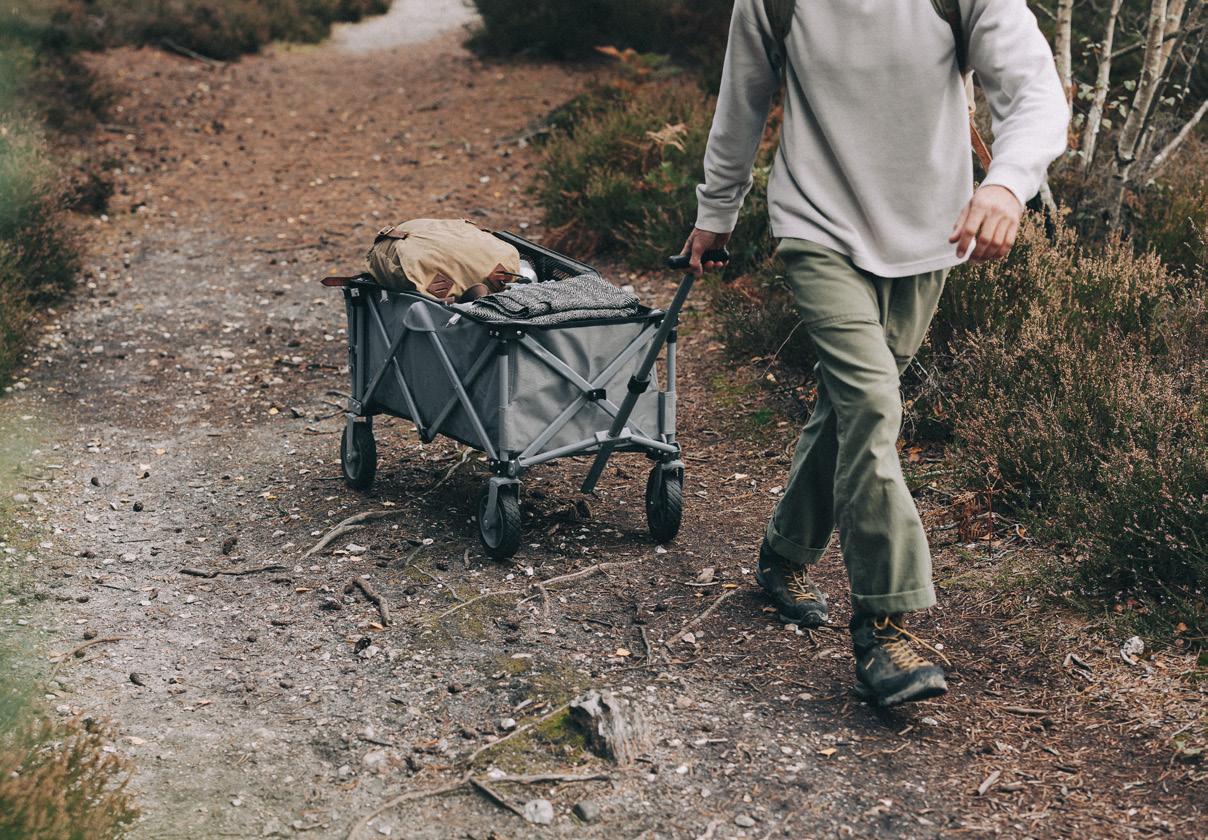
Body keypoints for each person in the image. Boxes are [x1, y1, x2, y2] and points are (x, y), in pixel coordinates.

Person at [681, 0, 1068, 707]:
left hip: (931, 236)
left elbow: (1035, 91)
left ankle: (784, 552)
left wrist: (1007, 183)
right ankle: (884, 626)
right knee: (871, 401)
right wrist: (717, 211)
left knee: (851, 407)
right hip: (816, 224)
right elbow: (742, 99)